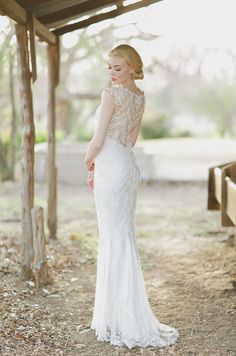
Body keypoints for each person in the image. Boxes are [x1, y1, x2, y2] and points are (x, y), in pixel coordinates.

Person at [84, 44, 180, 349]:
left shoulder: (110, 96)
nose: (112, 74)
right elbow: (131, 138)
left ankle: (117, 318)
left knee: (112, 238)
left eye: (118, 68)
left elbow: (99, 139)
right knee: (121, 237)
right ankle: (121, 315)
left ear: (131, 67)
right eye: (109, 68)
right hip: (127, 166)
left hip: (111, 166)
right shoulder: (140, 97)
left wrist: (89, 159)